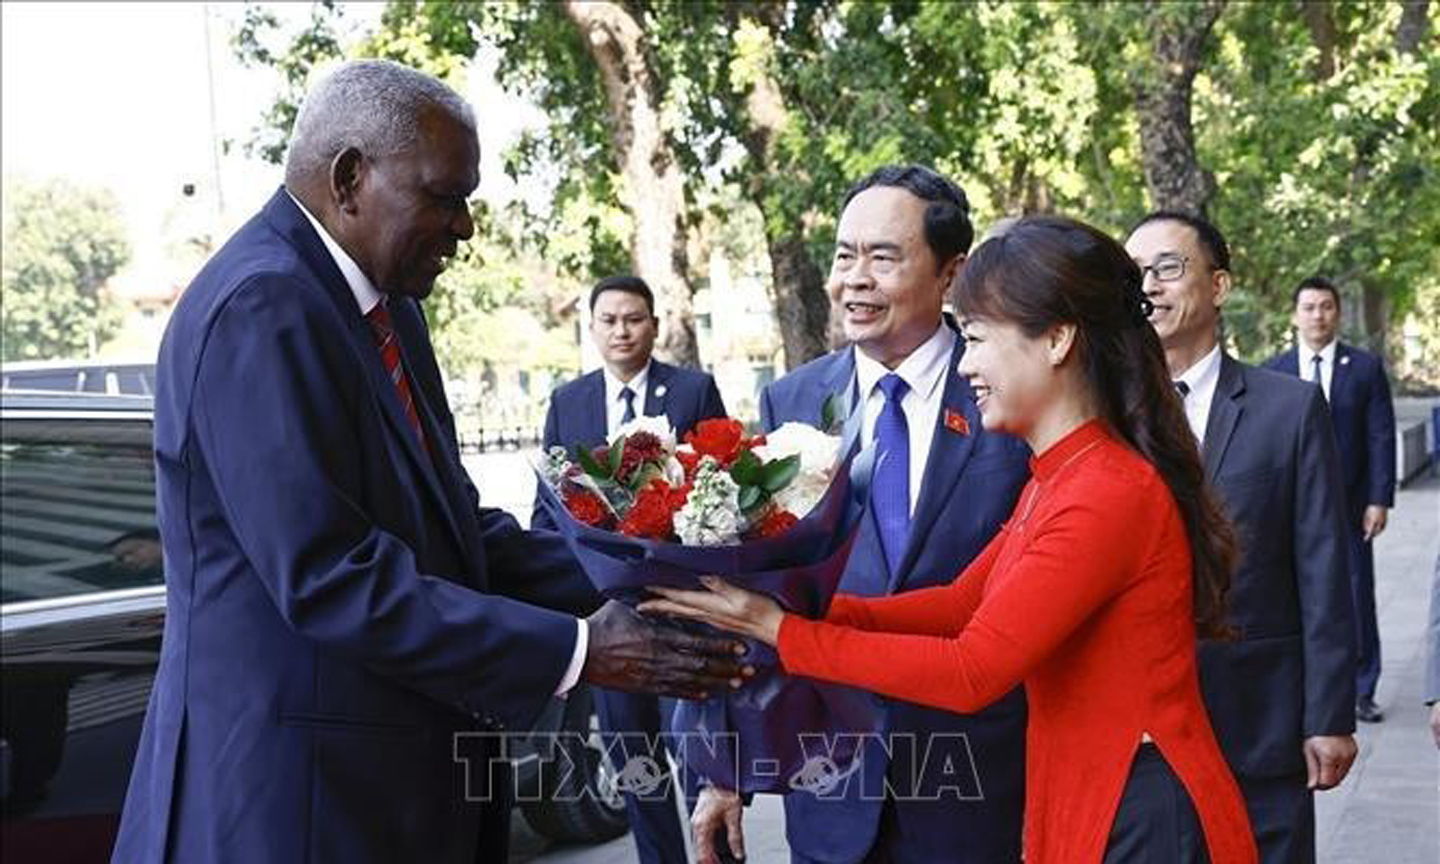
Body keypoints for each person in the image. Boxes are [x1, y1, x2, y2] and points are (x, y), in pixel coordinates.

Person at [112, 60, 748, 864]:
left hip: (391, 793)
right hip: (296, 806)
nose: (466, 230)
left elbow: (450, 526)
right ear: (350, 178)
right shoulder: (261, 305)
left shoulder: (387, 311)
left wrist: (649, 576)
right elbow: (331, 576)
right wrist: (583, 650)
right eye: (446, 198)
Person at [646, 215, 1258, 863]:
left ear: (1056, 338)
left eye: (978, 339)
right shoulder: (1063, 475)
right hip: (1095, 783)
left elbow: (973, 668)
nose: (965, 364)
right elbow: (958, 605)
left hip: (1138, 806)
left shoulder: (1104, 490)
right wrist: (799, 606)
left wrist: (786, 634)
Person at [689, 165, 1031, 864]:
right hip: (833, 781)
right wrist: (723, 768)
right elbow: (757, 588)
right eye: (846, 255)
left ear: (951, 274)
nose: (854, 278)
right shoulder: (792, 403)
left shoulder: (1011, 390)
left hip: (984, 776)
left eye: (883, 257)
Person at [1125, 212, 1355, 864]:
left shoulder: (1289, 408)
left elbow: (1322, 567)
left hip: (1259, 724)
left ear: (1219, 285)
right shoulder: (1101, 413)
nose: (1150, 287)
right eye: (1135, 274)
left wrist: (1329, 715)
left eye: (1168, 268)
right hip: (1137, 735)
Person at [533, 274, 728, 864]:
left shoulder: (693, 391)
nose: (622, 330)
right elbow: (550, 509)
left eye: (634, 318)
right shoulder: (569, 403)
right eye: (610, 320)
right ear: (592, 328)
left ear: (654, 324)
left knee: (699, 760)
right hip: (611, 616)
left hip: (685, 611)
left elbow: (721, 491)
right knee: (635, 763)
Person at [1263, 275, 1397, 723]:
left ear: (1337, 313)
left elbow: (1379, 435)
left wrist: (1379, 498)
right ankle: (1304, 684)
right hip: (1288, 506)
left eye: (1325, 307)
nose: (1317, 315)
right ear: (1294, 315)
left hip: (1350, 504)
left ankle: (1363, 688)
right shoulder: (1273, 370)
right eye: (1309, 307)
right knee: (1292, 595)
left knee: (1357, 594)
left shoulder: (1364, 368)